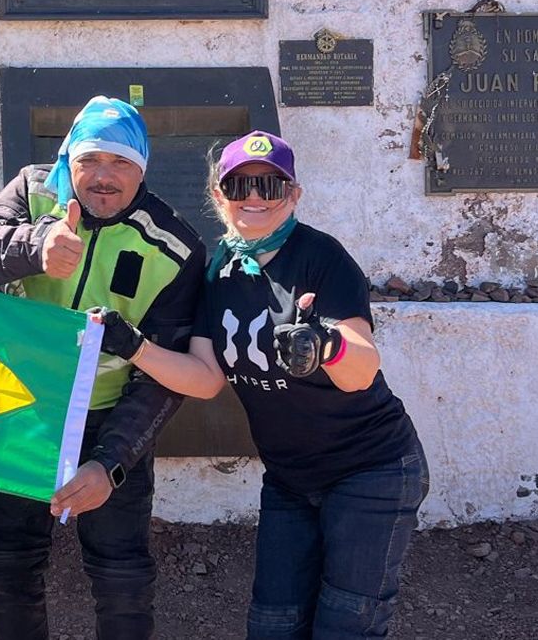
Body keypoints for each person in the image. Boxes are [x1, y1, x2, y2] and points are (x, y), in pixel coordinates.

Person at [95, 130, 429, 640]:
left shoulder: (322, 257)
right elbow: (205, 380)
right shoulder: (216, 274)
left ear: (293, 195)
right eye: (239, 185)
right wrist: (135, 346)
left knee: (346, 622)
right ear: (218, 196)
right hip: (291, 478)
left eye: (270, 187)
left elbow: (362, 369)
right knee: (274, 623)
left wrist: (326, 345)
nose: (254, 197)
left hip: (371, 468)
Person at [0, 95, 205, 639]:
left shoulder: (177, 247)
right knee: (10, 566)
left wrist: (110, 463)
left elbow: (159, 380)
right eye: (90, 161)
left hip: (109, 419)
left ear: (142, 171)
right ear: (69, 160)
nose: (104, 178)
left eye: (121, 164)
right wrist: (32, 244)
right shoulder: (35, 192)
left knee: (122, 575)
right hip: (21, 410)